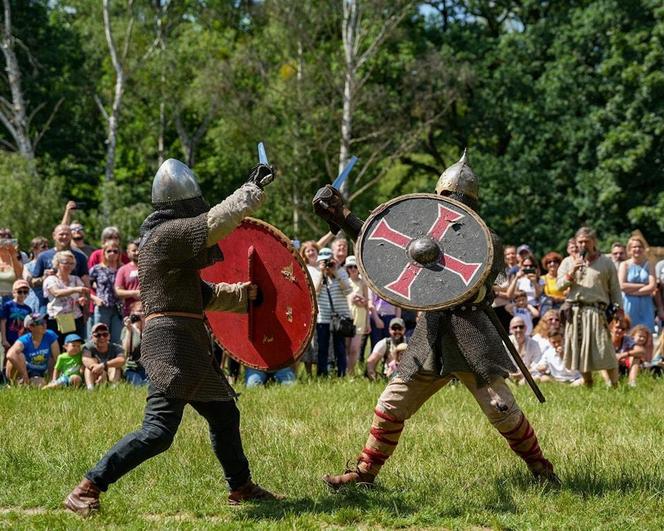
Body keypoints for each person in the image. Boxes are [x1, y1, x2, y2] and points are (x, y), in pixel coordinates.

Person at [314, 150, 559, 489]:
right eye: (446, 197)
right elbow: (386, 244)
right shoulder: (422, 233)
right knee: (390, 404)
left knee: (501, 407)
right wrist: (343, 216)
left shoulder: (488, 241)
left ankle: (542, 471)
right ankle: (365, 474)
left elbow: (481, 289)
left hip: (472, 331)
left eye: (456, 197)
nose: (451, 201)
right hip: (429, 336)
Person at [65, 158, 280, 516]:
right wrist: (250, 190)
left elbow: (204, 295)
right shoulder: (165, 236)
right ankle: (88, 487)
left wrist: (246, 295)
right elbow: (213, 223)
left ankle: (241, 487)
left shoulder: (170, 248)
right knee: (158, 431)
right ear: (182, 205)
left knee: (225, 415)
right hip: (171, 344)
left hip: (188, 344)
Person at [557, 226, 623, 387]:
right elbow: (559, 286)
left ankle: (615, 385)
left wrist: (619, 311)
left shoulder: (606, 262)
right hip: (575, 311)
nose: (583, 245)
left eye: (587, 241)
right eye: (580, 241)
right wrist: (572, 271)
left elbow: (615, 289)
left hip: (596, 311)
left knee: (605, 349)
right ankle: (588, 383)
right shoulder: (568, 262)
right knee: (580, 350)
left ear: (594, 241)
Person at [314, 247, 352, 377]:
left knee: (340, 347)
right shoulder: (316, 274)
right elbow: (315, 293)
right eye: (324, 262)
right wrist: (321, 273)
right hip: (323, 317)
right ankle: (322, 374)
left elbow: (348, 290)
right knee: (322, 347)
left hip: (340, 317)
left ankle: (342, 374)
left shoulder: (341, 272)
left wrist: (335, 273)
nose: (327, 265)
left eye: (329, 262)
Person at [43, 250, 89, 346]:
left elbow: (82, 294)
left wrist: (81, 300)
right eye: (66, 263)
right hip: (57, 319)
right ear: (57, 264)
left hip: (75, 318)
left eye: (72, 263)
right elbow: (56, 293)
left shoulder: (76, 279)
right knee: (58, 346)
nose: (69, 266)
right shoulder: (51, 279)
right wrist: (75, 289)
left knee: (75, 346)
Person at [4, 313, 59, 387]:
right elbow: (9, 355)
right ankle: (15, 382)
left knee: (40, 384)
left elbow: (57, 358)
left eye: (44, 322)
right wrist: (25, 375)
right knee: (17, 355)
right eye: (40, 323)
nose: (44, 325)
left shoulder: (50, 335)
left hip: (39, 372)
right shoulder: (24, 339)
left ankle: (48, 380)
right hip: (24, 370)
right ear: (31, 327)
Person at [618, 235, 656, 332]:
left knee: (646, 334)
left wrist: (631, 291)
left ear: (643, 249)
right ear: (629, 249)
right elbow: (622, 285)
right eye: (634, 247)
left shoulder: (650, 264)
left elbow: (652, 287)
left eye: (639, 246)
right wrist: (644, 286)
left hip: (646, 305)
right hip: (629, 304)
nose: (637, 249)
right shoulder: (624, 265)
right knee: (629, 333)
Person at [89, 240, 123, 344]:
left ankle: (116, 359)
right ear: (104, 253)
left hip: (118, 309)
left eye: (115, 251)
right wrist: (95, 298)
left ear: (119, 254)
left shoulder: (123, 268)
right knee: (100, 336)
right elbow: (85, 287)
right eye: (109, 251)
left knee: (117, 338)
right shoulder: (96, 269)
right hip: (102, 307)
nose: (112, 253)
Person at [345, 255, 370, 375]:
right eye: (350, 267)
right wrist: (351, 300)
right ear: (347, 268)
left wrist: (368, 323)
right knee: (346, 347)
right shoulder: (344, 282)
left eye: (355, 266)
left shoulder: (363, 283)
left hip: (360, 318)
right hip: (348, 318)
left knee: (354, 349)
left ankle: (351, 373)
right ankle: (344, 372)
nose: (353, 269)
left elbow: (367, 302)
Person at [298, 241, 320, 376]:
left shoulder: (322, 267)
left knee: (318, 343)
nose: (311, 253)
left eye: (313, 250)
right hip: (308, 310)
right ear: (304, 254)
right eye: (308, 251)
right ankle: (308, 373)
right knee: (309, 343)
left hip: (324, 310)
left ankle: (319, 372)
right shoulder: (304, 269)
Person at [82, 322, 125, 389]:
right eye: (98, 335)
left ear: (109, 336)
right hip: (96, 373)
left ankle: (114, 387)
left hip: (110, 372)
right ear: (92, 337)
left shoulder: (116, 347)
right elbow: (86, 359)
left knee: (116, 367)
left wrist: (103, 365)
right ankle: (90, 389)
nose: (102, 337)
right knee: (88, 368)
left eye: (105, 334)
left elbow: (121, 360)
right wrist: (100, 370)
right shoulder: (87, 347)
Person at [507, 316, 542, 384]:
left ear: (525, 328)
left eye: (521, 326)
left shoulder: (534, 343)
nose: (518, 329)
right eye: (515, 327)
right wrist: (511, 374)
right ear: (510, 329)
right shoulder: (505, 343)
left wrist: (525, 373)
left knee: (537, 378)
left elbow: (537, 363)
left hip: (528, 374)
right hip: (510, 375)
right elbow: (502, 364)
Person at [1, 279, 32, 353]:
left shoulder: (28, 309)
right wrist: (4, 339)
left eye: (25, 292)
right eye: (20, 292)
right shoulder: (8, 305)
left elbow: (28, 326)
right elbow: (3, 323)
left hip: (22, 340)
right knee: (9, 359)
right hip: (10, 339)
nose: (23, 294)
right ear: (13, 293)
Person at [121, 303, 148, 386]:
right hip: (132, 368)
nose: (142, 313)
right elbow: (126, 352)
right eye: (139, 311)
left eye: (144, 311)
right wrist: (129, 330)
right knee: (139, 385)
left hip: (147, 369)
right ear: (133, 313)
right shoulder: (127, 329)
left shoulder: (150, 329)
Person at [114, 239, 141, 317]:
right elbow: (118, 291)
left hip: (149, 311)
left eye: (139, 250)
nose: (137, 252)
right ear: (128, 252)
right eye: (134, 250)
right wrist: (134, 293)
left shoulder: (150, 267)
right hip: (130, 312)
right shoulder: (123, 270)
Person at [0, 236, 23, 304]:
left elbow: (19, 275)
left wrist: (13, 253)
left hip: (11, 299)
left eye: (5, 241)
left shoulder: (14, 259)